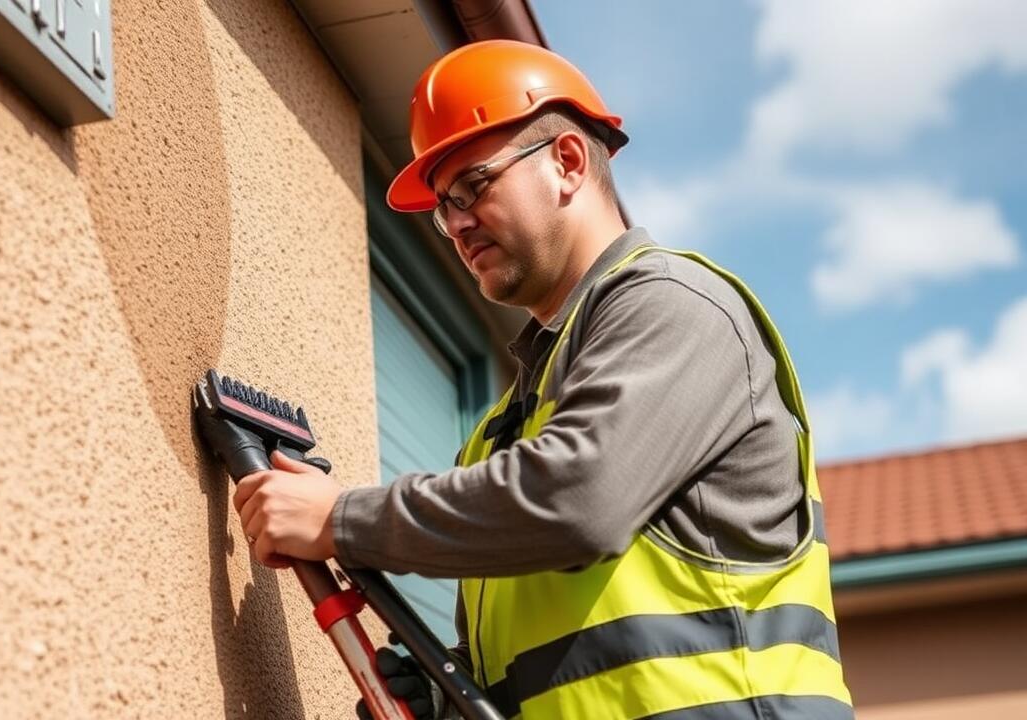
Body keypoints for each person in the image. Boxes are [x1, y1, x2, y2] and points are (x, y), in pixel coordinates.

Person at [232, 40, 853, 719]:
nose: (457, 223)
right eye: (444, 208)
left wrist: (340, 519)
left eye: (474, 186)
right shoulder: (498, 435)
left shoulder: (675, 306)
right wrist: (445, 697)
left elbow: (579, 499)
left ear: (567, 162)